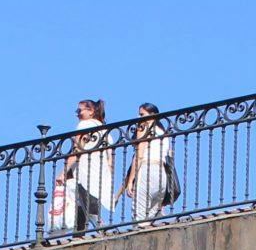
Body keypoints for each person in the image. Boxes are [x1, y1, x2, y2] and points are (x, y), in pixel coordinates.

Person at [52, 98, 113, 237]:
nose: (77, 114)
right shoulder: (105, 132)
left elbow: (77, 150)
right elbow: (110, 160)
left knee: (76, 200)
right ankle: (78, 234)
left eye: (79, 110)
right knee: (81, 202)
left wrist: (63, 172)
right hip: (99, 173)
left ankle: (101, 229)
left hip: (83, 171)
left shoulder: (84, 125)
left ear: (91, 111)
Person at [117, 103, 177, 223]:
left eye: (142, 114)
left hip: (147, 171)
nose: (139, 118)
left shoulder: (143, 128)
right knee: (150, 219)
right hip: (162, 176)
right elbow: (170, 156)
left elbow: (139, 155)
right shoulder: (164, 133)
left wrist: (130, 181)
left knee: (139, 219)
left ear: (153, 115)